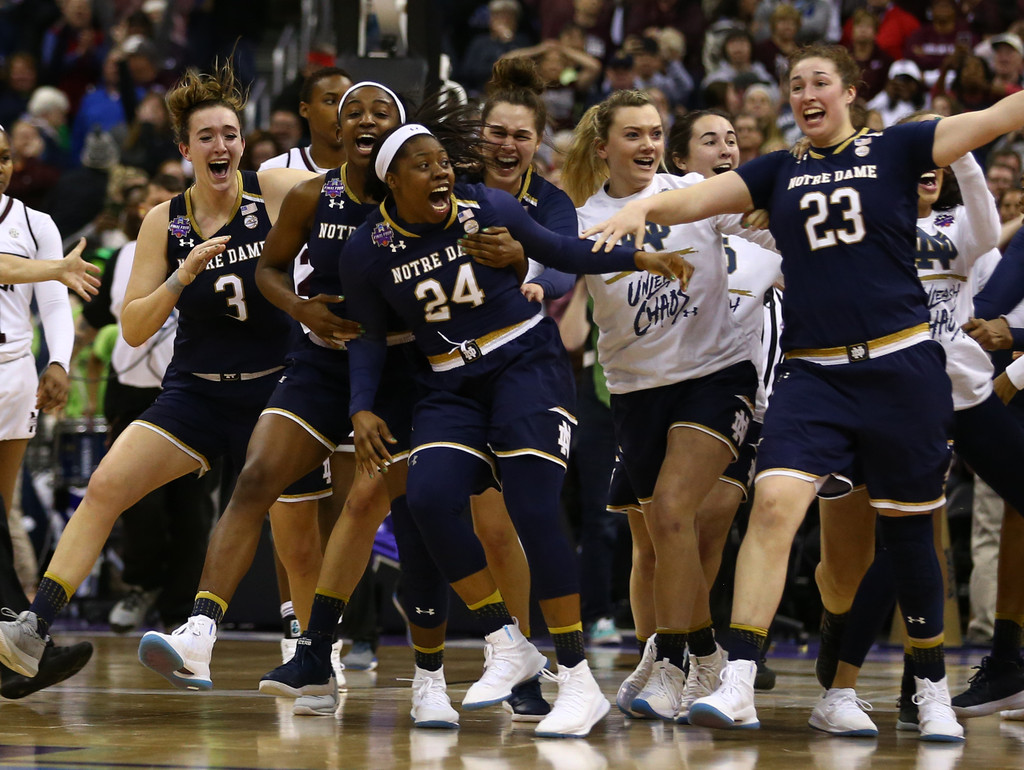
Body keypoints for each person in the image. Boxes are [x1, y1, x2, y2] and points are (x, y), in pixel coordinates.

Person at [582, 42, 1024, 740]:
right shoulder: (777, 170)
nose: (805, 93)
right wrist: (642, 212)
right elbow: (700, 194)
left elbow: (998, 113)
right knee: (775, 503)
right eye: (795, 84)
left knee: (911, 536)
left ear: (849, 90)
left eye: (820, 81)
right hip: (813, 372)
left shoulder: (901, 146)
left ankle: (932, 687)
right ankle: (736, 680)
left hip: (901, 364)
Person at [338, 109, 690, 738]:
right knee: (428, 497)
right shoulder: (367, 249)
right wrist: (361, 404)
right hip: (448, 378)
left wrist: (638, 257)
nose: (442, 171)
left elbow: (561, 250)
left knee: (532, 509)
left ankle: (578, 679)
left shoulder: (484, 204)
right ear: (393, 181)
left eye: (444, 161)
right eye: (425, 165)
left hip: (526, 362)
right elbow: (367, 335)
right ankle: (508, 640)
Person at [0, 60, 326, 687]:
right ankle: (34, 628)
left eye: (230, 133)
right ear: (185, 150)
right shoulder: (164, 220)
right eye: (207, 136)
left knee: (297, 542)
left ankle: (311, 659)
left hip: (277, 388)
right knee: (104, 488)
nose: (221, 145)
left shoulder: (277, 188)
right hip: (195, 393)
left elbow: (348, 209)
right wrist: (184, 275)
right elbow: (133, 326)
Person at [810, 114, 1024, 737]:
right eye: (914, 159)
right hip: (899, 396)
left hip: (967, 393)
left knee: (918, 535)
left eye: (933, 161)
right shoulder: (862, 227)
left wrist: (958, 152)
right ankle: (851, 686)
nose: (925, 168)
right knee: (906, 539)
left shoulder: (956, 228)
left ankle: (974, 670)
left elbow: (986, 234)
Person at [564, 97, 776, 724]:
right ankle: (686, 654)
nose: (648, 143)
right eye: (634, 134)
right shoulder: (583, 218)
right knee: (654, 534)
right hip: (635, 390)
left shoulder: (693, 192)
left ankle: (682, 659)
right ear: (604, 146)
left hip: (718, 374)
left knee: (675, 510)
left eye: (656, 133)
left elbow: (762, 230)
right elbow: (557, 274)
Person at [0, 123, 102, 699]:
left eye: (7, 157)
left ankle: (17, 651)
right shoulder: (35, 247)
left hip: (14, 371)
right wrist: (55, 268)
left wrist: (58, 361)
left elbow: (54, 304)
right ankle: (25, 647)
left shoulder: (36, 223)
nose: (1, 166)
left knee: (4, 509)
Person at [259, 68, 351, 174]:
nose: (341, 110)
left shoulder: (372, 170)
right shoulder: (273, 169)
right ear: (305, 109)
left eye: (348, 101)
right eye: (330, 101)